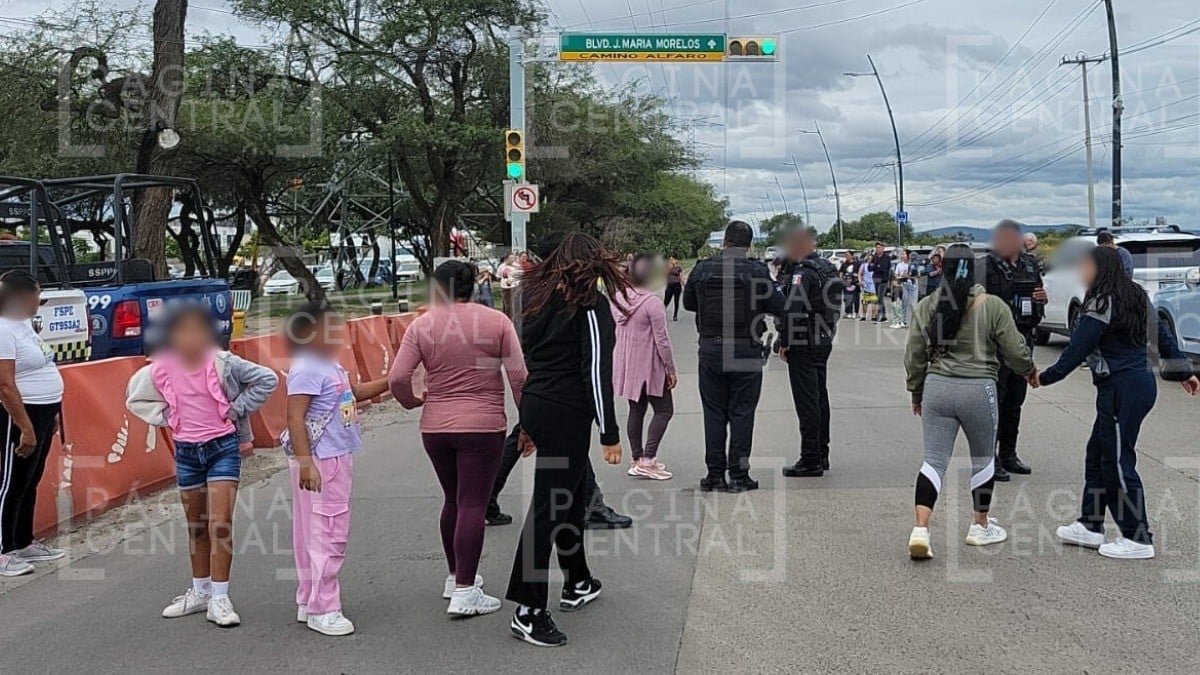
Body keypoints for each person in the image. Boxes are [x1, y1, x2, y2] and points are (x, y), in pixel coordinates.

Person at [1035, 246, 1200, 560]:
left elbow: (1077, 349)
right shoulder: (1136, 295)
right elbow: (1162, 336)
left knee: (1117, 461)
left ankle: (1137, 538)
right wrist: (1184, 371)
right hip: (1136, 385)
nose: (1081, 271)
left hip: (1121, 389)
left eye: (1086, 266)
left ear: (1102, 269)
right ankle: (1090, 525)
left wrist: (1045, 377)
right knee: (1097, 453)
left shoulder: (1102, 302)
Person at [505, 232, 625, 648]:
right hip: (566, 411)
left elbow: (526, 356)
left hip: (538, 402)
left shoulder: (534, 298)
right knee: (550, 507)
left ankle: (577, 580)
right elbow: (595, 371)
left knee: (568, 497)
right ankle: (528, 609)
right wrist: (609, 432)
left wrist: (527, 419)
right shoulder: (590, 305)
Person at [126, 302, 278, 626]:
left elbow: (267, 379)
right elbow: (135, 397)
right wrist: (168, 417)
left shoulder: (223, 363)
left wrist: (235, 409)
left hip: (222, 448)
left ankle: (220, 598)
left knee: (220, 523)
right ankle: (200, 591)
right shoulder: (160, 369)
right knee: (196, 525)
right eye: (183, 331)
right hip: (186, 452)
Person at [389, 261, 526, 616]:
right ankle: (466, 591)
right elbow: (519, 377)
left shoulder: (421, 325)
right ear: (474, 286)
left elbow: (398, 378)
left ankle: (455, 577)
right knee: (473, 505)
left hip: (435, 427)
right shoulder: (497, 322)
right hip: (483, 425)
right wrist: (528, 424)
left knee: (452, 499)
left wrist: (411, 401)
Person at [903, 245, 1036, 559]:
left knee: (933, 461)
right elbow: (1014, 349)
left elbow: (914, 354)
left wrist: (916, 391)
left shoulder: (926, 305)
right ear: (973, 270)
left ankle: (920, 528)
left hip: (937, 387)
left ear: (943, 268)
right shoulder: (992, 305)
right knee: (983, 459)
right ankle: (980, 525)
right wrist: (1029, 370)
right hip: (979, 389)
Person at [282, 302, 391, 636]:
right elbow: (294, 417)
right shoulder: (307, 368)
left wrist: (393, 381)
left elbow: (354, 394)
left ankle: (309, 598)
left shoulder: (328, 364)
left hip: (331, 457)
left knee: (312, 532)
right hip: (321, 460)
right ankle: (324, 607)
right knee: (328, 533)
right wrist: (306, 464)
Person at [683, 221, 785, 492]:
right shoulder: (757, 271)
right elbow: (779, 306)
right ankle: (738, 475)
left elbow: (688, 303)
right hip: (745, 349)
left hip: (711, 349)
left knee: (713, 412)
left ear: (724, 242)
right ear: (748, 246)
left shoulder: (702, 269)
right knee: (742, 413)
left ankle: (714, 474)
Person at [0, 271, 67, 577]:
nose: (40, 300)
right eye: (37, 294)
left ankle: (22, 541)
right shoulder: (3, 330)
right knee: (11, 482)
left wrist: (53, 412)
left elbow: (43, 365)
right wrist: (24, 426)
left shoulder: (24, 326)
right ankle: (3, 550)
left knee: (30, 479)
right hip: (19, 414)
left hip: (42, 411)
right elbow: (5, 385)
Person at [984, 220, 1046, 481]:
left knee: (1014, 402)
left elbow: (1038, 294)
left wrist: (1042, 300)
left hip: (1023, 339)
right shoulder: (987, 266)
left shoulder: (1030, 264)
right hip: (995, 345)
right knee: (994, 404)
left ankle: (1009, 455)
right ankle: (990, 460)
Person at [777, 228, 843, 478]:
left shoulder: (803, 273)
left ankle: (810, 458)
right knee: (819, 397)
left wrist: (784, 341)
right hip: (824, 337)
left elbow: (793, 309)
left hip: (805, 341)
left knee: (807, 402)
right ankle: (822, 453)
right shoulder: (827, 268)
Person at [613, 254, 677, 481]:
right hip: (650, 365)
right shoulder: (652, 303)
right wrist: (670, 369)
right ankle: (648, 459)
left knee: (636, 409)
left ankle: (637, 458)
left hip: (627, 364)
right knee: (664, 410)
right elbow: (662, 340)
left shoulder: (617, 298)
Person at [869, 242, 894, 324]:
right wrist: (876, 266)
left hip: (883, 280)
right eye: (877, 247)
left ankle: (880, 315)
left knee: (880, 297)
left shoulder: (886, 257)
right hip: (875, 278)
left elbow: (884, 268)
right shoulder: (875, 257)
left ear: (883, 248)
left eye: (879, 247)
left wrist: (876, 266)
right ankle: (883, 315)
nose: (878, 249)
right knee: (877, 297)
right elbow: (870, 268)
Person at [893, 249, 917, 329]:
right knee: (904, 303)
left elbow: (918, 275)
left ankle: (915, 322)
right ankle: (904, 321)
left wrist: (909, 276)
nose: (902, 256)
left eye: (904, 254)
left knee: (913, 304)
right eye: (902, 254)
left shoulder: (913, 264)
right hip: (904, 284)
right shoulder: (899, 265)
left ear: (908, 255)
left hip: (912, 284)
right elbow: (896, 275)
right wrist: (900, 277)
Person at [840, 252, 860, 319]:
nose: (847, 256)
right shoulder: (844, 264)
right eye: (846, 255)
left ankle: (856, 312)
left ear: (852, 256)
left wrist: (859, 280)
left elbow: (860, 273)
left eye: (848, 255)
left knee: (856, 299)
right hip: (846, 283)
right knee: (847, 298)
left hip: (855, 283)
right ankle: (848, 312)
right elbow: (841, 272)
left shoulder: (857, 264)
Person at [664, 256, 684, 321]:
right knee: (666, 301)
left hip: (677, 285)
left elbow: (681, 277)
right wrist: (669, 268)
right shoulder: (668, 267)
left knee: (676, 301)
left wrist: (684, 285)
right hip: (670, 285)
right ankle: (662, 313)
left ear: (676, 260)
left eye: (672, 259)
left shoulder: (678, 268)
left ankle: (675, 315)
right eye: (670, 260)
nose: (671, 261)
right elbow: (665, 275)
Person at [858, 254, 877, 322]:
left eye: (871, 259)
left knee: (873, 301)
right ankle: (863, 315)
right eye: (869, 259)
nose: (870, 260)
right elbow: (859, 273)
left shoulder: (875, 266)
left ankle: (873, 316)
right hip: (866, 285)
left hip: (873, 286)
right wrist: (860, 281)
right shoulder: (864, 265)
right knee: (865, 301)